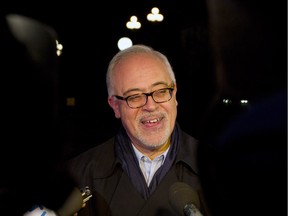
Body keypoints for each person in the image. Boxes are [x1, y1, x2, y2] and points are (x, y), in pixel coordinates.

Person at [66, 44, 212, 216]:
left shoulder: (220, 170)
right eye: (134, 97)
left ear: (175, 93)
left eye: (161, 91)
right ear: (115, 106)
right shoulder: (77, 176)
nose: (151, 105)